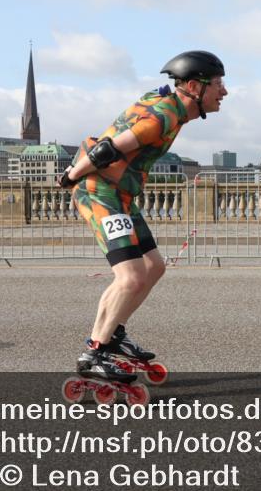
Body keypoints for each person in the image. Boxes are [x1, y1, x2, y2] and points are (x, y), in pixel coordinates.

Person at [56, 50, 228, 383]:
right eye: (218, 84)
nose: (224, 92)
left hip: (119, 193)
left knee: (154, 266)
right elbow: (108, 149)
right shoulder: (164, 116)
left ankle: (112, 333)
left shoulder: (173, 107)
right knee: (132, 277)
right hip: (100, 191)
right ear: (195, 86)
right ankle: (95, 353)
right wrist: (71, 175)